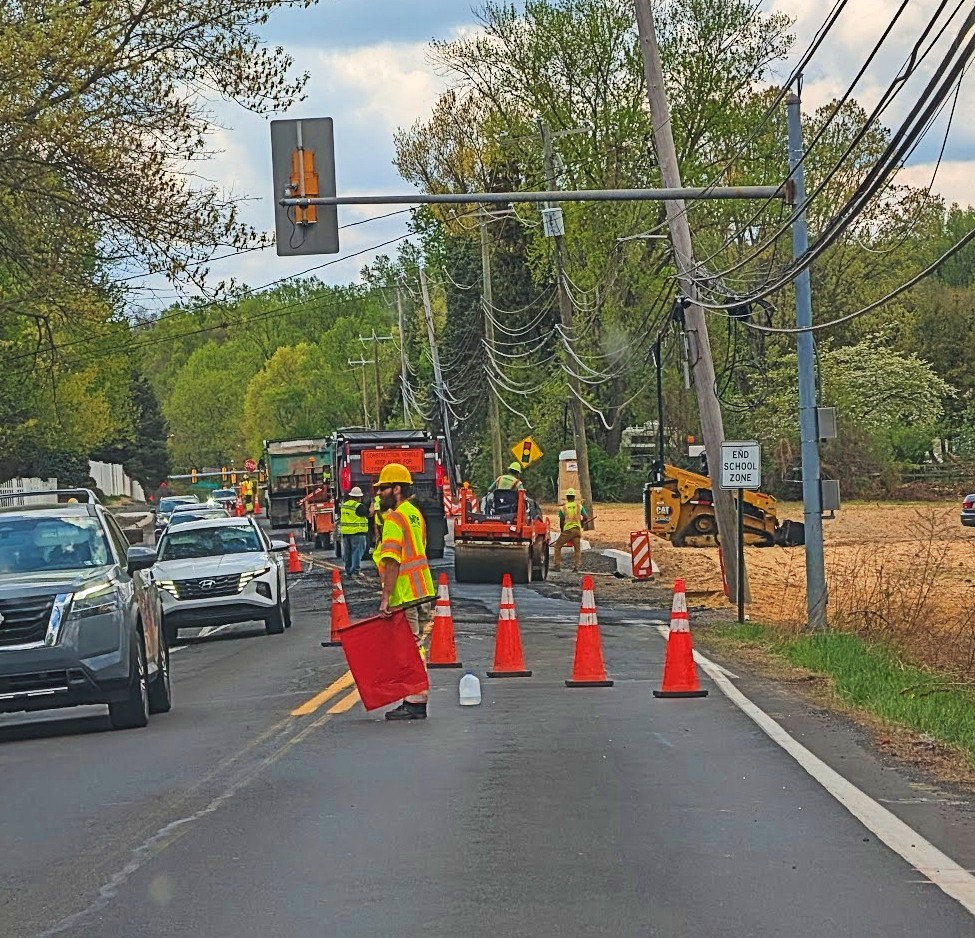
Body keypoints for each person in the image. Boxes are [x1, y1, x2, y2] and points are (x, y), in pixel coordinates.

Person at [374, 463, 436, 721]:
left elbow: (392, 561)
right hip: (422, 590)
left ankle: (414, 701)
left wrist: (386, 596)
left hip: (406, 593)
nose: (379, 494)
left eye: (383, 489)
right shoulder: (414, 514)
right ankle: (415, 697)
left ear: (396, 489)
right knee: (417, 646)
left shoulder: (395, 519)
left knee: (409, 649)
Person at [552, 487, 588, 573]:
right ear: (574, 497)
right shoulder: (579, 506)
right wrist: (582, 523)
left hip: (568, 530)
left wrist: (562, 531)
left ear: (567, 497)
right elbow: (586, 517)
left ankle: (557, 566)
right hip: (577, 530)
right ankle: (576, 567)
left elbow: (561, 521)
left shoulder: (563, 508)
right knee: (577, 549)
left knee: (557, 546)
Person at [339, 486, 370, 578]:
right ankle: (356, 571)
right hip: (358, 533)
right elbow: (369, 513)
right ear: (359, 497)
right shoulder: (358, 506)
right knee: (357, 552)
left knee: (347, 553)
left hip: (346, 533)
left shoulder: (345, 505)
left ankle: (348, 570)